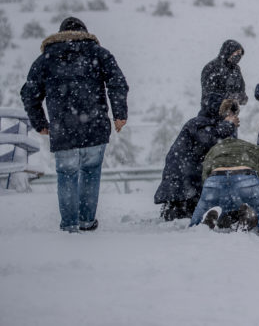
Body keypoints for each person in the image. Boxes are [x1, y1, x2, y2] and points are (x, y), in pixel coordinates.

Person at [20, 17, 129, 232]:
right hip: (94, 127)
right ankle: (87, 221)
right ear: (85, 32)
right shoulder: (99, 53)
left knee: (67, 174)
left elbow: (29, 94)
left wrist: (39, 122)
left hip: (63, 129)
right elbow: (118, 83)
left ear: (60, 34)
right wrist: (120, 114)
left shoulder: (46, 58)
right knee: (91, 171)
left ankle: (70, 225)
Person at [190, 99, 259, 236]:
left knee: (194, 226)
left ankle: (207, 219)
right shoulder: (254, 149)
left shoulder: (215, 149)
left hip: (215, 181)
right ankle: (253, 219)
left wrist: (209, 196)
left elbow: (206, 175)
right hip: (247, 179)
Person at [153, 93, 238, 221]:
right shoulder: (199, 123)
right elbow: (208, 140)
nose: (231, 117)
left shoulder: (212, 125)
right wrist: (228, 125)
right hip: (183, 184)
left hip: (188, 184)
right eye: (228, 112)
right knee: (181, 218)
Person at [200, 40, 248, 108]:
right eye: (237, 52)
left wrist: (241, 98)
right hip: (211, 113)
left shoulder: (235, 70)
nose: (239, 56)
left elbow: (241, 91)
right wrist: (229, 97)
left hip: (230, 113)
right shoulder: (212, 68)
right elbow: (209, 95)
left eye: (240, 53)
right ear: (229, 51)